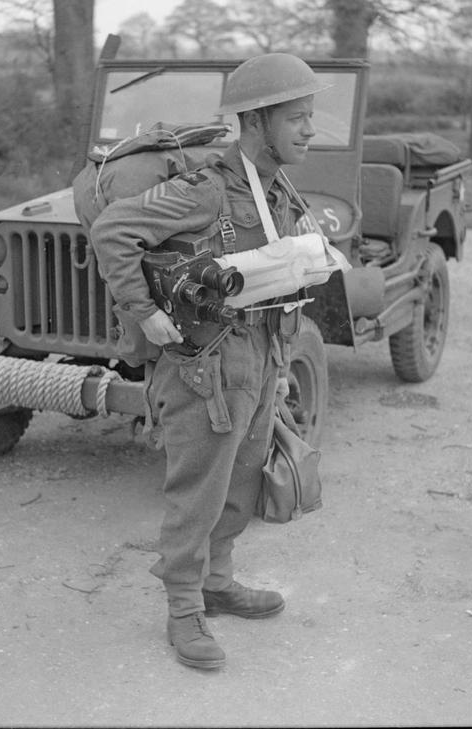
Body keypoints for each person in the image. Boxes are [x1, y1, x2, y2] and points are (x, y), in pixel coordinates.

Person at [90, 53, 333, 670]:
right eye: (297, 118)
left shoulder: (278, 186)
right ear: (256, 120)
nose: (310, 129)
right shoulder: (206, 190)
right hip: (207, 366)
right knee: (197, 490)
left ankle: (217, 582)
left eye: (310, 117)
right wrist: (145, 312)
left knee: (243, 478)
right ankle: (182, 612)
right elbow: (114, 231)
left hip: (260, 352)